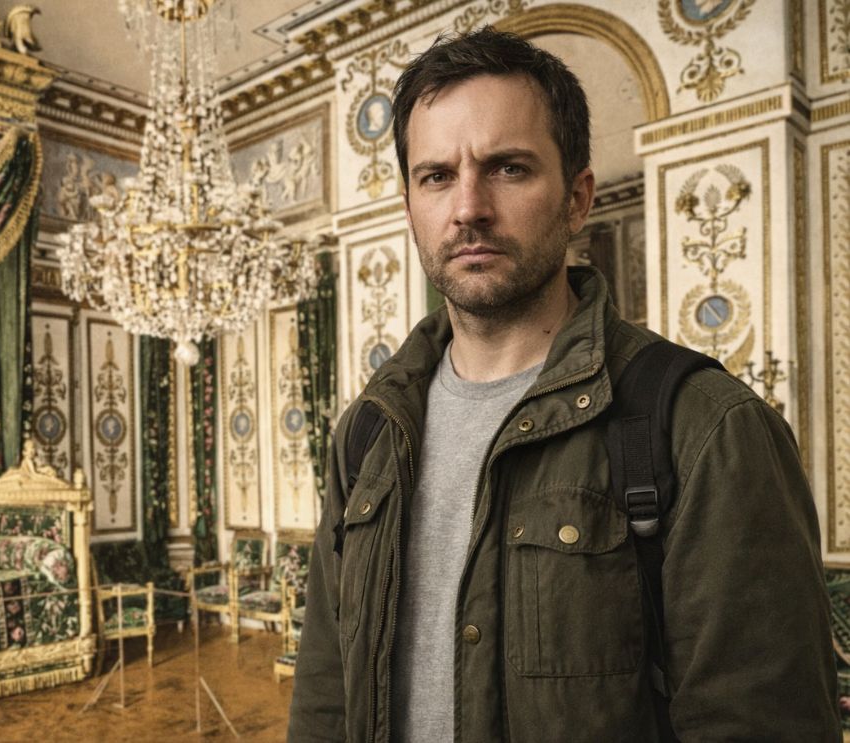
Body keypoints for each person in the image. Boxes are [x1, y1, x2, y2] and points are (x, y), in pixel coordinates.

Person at [288, 27, 838, 742]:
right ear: (409, 208)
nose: (467, 208)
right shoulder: (368, 430)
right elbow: (327, 689)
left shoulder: (704, 427)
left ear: (577, 199)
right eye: (436, 176)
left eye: (508, 168)